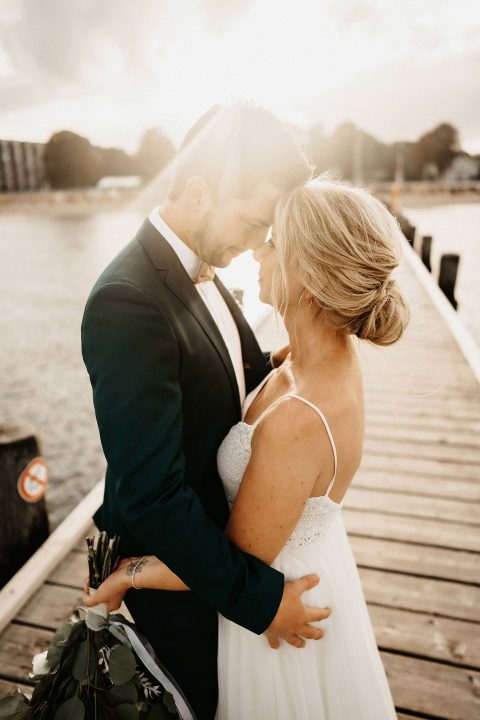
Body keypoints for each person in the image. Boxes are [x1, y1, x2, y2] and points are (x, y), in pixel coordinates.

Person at [86, 179, 409, 719]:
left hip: (276, 610)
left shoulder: (301, 418)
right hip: (298, 567)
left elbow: (238, 558)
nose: (259, 249)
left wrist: (129, 572)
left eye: (275, 242)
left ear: (309, 277)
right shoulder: (311, 359)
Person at [81, 103, 328, 720]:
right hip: (176, 580)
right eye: (251, 222)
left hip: (215, 555)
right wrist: (263, 601)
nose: (254, 246)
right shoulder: (127, 302)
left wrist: (320, 360)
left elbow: (239, 378)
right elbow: (151, 494)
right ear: (199, 192)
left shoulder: (206, 267)